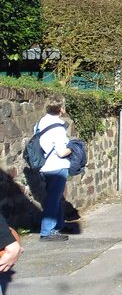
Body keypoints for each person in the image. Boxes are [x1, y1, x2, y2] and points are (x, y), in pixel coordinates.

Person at [36, 97, 72, 241]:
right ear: (61, 109)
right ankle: (47, 231)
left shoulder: (41, 122)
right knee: (53, 199)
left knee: (55, 198)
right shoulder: (58, 127)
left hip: (44, 165)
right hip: (57, 166)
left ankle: (58, 226)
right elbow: (61, 152)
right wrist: (72, 148)